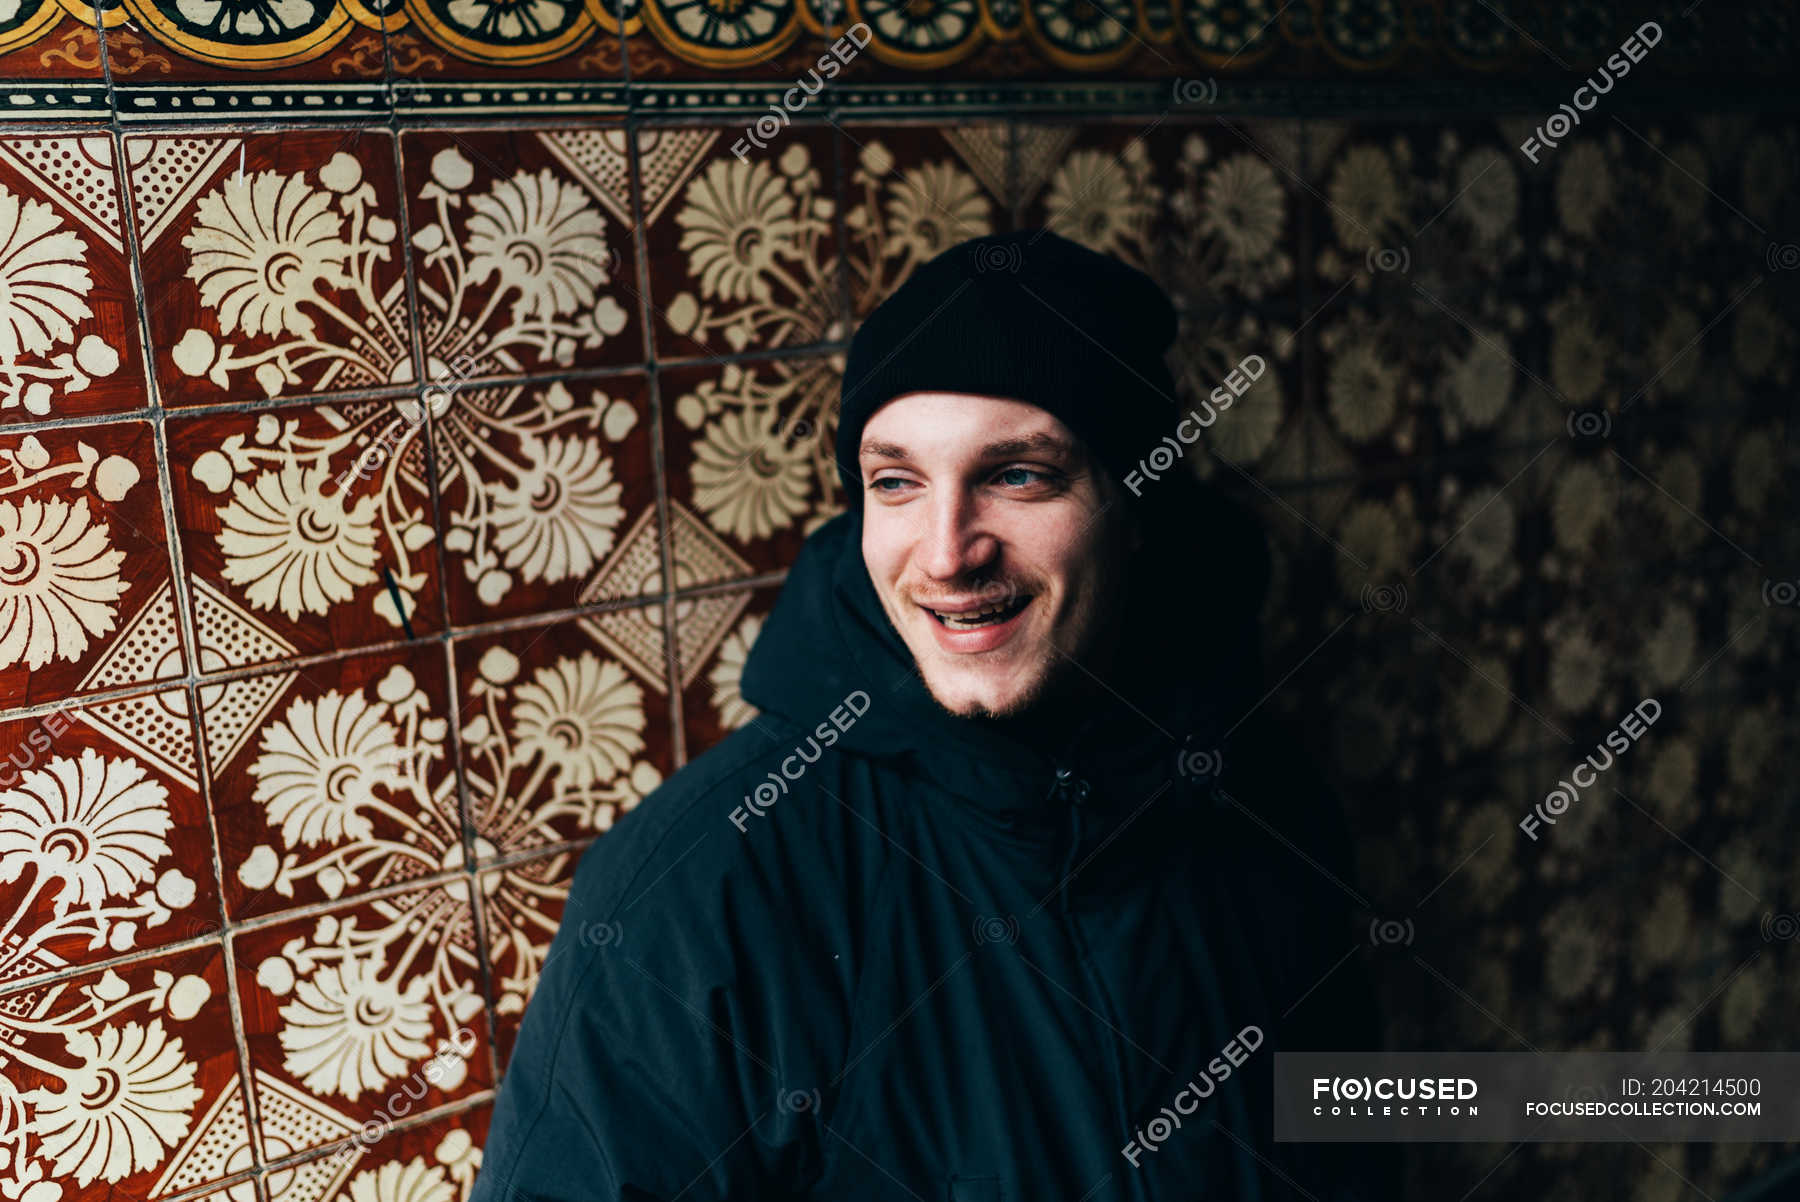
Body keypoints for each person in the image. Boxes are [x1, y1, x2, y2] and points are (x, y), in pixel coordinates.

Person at [468, 229, 1398, 1201]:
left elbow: (1350, 1139)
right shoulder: (708, 887)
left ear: (1134, 507)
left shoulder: (1263, 798)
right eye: (896, 482)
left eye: (1019, 474)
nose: (948, 552)